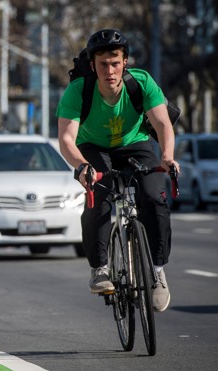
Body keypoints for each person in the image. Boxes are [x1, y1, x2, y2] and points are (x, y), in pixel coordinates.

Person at [56, 29, 179, 312]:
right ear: (92, 65)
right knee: (98, 196)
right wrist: (82, 167)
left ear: (125, 62)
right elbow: (66, 138)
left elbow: (162, 125)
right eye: (103, 64)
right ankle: (99, 268)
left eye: (115, 63)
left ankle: (158, 271)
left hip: (135, 144)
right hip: (92, 147)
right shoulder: (78, 91)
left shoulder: (141, 82)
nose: (109, 70)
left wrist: (168, 157)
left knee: (154, 198)